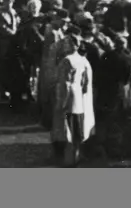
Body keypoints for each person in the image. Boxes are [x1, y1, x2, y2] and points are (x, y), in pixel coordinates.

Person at [51, 28, 93, 167]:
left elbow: (65, 83)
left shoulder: (66, 61)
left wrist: (61, 102)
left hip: (69, 97)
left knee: (66, 128)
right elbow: (86, 82)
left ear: (73, 45)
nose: (65, 46)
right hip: (79, 97)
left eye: (68, 43)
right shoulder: (83, 60)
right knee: (77, 128)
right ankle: (76, 155)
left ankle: (68, 159)